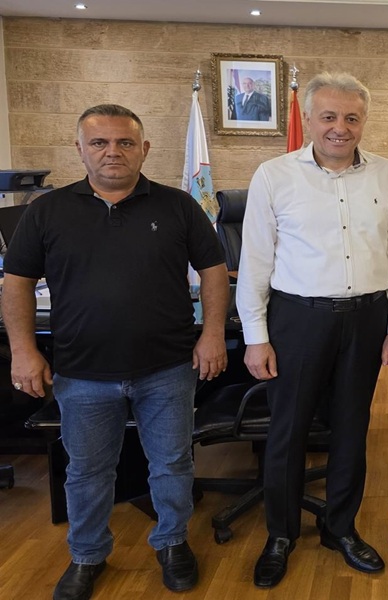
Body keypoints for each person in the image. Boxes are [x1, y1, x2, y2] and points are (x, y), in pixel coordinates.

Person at [1, 104, 229, 600]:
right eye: (99, 142)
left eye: (125, 142)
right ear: (80, 149)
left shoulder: (178, 206)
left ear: (143, 149)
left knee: (172, 464)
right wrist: (22, 350)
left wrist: (213, 333)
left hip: (168, 368)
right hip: (82, 372)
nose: (112, 152)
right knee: (86, 471)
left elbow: (213, 270)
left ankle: (172, 543)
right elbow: (16, 282)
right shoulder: (46, 211)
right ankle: (87, 555)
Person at [237, 71, 388, 587]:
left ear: (364, 121)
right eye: (329, 116)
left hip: (367, 318)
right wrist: (256, 337)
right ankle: (281, 535)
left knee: (352, 429)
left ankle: (340, 528)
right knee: (287, 432)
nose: (341, 127)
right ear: (309, 119)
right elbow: (254, 262)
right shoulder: (274, 175)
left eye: (352, 117)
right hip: (297, 320)